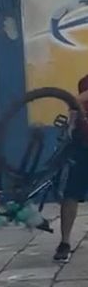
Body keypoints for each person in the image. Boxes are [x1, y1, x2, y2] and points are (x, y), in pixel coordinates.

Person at [53, 74, 88, 262]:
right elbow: (76, 106)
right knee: (71, 193)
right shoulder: (84, 81)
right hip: (82, 145)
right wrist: (69, 129)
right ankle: (64, 242)